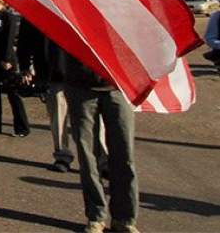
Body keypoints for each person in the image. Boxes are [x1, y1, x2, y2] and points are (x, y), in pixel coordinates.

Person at [18, 19, 107, 174]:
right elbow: (26, 38)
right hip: (52, 72)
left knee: (93, 118)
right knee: (58, 117)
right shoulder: (37, 7)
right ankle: (62, 155)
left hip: (84, 71)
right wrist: (25, 66)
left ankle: (103, 160)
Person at [64, 50, 139, 233]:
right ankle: (96, 216)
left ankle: (124, 219)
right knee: (88, 157)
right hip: (80, 86)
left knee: (124, 155)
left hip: (118, 86)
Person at [0, 0, 29, 136]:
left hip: (6, 61)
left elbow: (9, 39)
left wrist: (7, 59)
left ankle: (22, 128)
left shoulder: (8, 16)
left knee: (13, 94)